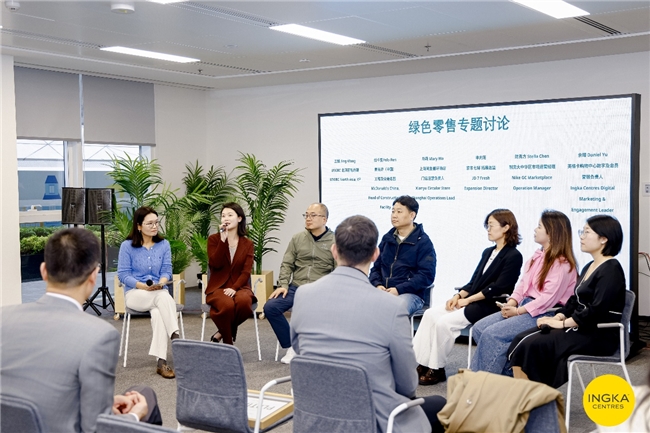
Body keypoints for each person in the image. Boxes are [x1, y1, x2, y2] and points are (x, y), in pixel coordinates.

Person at [291, 215, 446, 433]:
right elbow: (408, 385)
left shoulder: (303, 295)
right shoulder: (392, 307)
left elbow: (299, 349)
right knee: (440, 405)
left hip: (314, 415)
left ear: (334, 251)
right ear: (375, 254)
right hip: (373, 422)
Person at [0, 228, 162, 432]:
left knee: (141, 391)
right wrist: (134, 416)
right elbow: (96, 428)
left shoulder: (4, 318)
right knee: (145, 397)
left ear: (43, 271)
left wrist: (105, 403)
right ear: (94, 275)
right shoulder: (100, 335)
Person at [509, 215, 626, 388]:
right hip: (582, 327)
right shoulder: (590, 266)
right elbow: (574, 300)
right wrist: (558, 316)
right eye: (582, 232)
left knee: (533, 345)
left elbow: (596, 310)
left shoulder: (611, 270)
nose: (581, 237)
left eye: (587, 232)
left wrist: (563, 324)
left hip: (598, 334)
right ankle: (527, 397)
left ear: (603, 239)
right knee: (521, 339)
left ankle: (536, 397)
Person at [415, 209, 523, 385]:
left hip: (489, 304)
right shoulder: (488, 252)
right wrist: (458, 296)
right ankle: (423, 362)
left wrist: (468, 300)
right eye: (487, 225)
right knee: (430, 314)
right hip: (472, 300)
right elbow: (474, 282)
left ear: (506, 227)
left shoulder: (514, 256)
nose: (488, 229)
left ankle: (436, 368)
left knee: (444, 323)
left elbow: (498, 287)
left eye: (492, 225)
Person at [470, 209, 577, 376]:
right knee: (479, 329)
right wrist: (512, 302)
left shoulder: (562, 264)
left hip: (543, 312)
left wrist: (518, 311)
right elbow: (523, 285)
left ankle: (483, 383)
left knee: (492, 335)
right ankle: (506, 376)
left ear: (552, 232)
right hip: (524, 306)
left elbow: (547, 299)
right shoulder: (537, 256)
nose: (535, 229)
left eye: (539, 226)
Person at [263, 202, 336, 364]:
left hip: (320, 289)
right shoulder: (298, 238)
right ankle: (293, 345)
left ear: (324, 219)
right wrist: (283, 285)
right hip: (296, 287)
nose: (308, 218)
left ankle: (316, 348)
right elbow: (287, 264)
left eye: (313, 215)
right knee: (271, 307)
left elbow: (338, 269)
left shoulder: (335, 241)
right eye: (306, 215)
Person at [118, 206, 180, 379]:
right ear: (139, 226)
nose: (155, 226)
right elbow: (123, 275)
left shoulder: (164, 245)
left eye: (156, 223)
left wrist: (161, 283)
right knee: (163, 296)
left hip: (158, 293)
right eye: (150, 223)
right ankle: (176, 337)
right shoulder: (127, 246)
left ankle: (161, 363)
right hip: (135, 293)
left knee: (159, 312)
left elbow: (167, 270)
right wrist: (142, 286)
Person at [369, 195, 436, 316]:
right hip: (383, 291)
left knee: (394, 308)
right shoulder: (387, 239)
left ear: (412, 215)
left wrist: (398, 289)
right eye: (393, 211)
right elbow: (376, 268)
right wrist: (377, 285)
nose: (394, 215)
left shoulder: (423, 242)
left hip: (410, 294)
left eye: (399, 212)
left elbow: (426, 275)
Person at [205, 202, 255, 345]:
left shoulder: (248, 244)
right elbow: (215, 264)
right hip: (218, 287)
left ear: (239, 218)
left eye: (230, 215)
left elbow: (246, 271)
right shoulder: (214, 240)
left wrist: (234, 288)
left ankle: (221, 332)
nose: (225, 218)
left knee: (244, 303)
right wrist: (223, 241)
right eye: (223, 216)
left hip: (240, 286)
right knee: (227, 306)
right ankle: (228, 343)